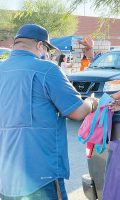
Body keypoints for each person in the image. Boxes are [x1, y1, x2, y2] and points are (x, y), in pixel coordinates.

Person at [0, 24, 98, 200]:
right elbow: (76, 112)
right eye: (46, 49)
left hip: (6, 175)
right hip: (41, 175)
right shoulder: (47, 69)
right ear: (40, 46)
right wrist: (92, 102)